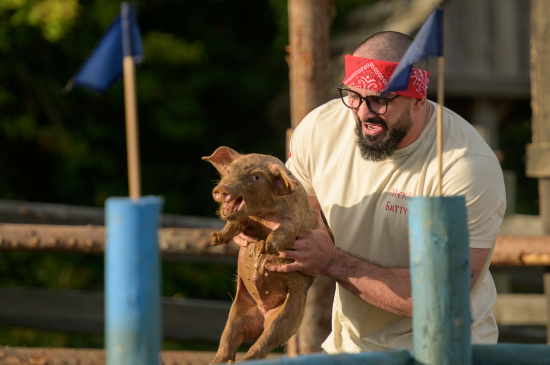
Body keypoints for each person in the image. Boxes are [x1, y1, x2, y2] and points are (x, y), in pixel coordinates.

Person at [237, 31, 506, 353]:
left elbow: (443, 296)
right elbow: (307, 220)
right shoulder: (319, 129)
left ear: (419, 98)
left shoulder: (465, 166)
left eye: (380, 100)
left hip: (445, 351)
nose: (363, 112)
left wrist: (332, 262)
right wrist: (263, 224)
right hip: (350, 349)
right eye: (353, 95)